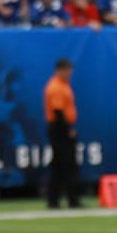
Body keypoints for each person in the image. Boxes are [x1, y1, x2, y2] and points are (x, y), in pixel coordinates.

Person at [43, 58, 81, 209]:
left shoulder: (62, 85)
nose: (70, 73)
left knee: (59, 166)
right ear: (61, 70)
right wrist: (68, 129)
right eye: (68, 70)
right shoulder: (56, 87)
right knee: (67, 165)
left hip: (60, 127)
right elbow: (58, 111)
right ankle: (71, 199)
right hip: (60, 129)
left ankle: (54, 200)